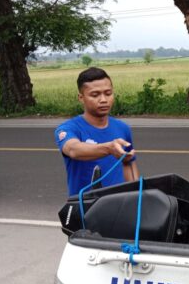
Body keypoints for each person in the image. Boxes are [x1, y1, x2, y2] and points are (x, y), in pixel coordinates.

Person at [55, 67, 138, 195]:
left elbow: (128, 163)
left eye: (108, 93)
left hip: (120, 206)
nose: (103, 100)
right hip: (86, 208)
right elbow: (73, 149)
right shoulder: (69, 128)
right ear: (81, 98)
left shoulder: (122, 128)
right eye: (95, 95)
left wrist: (136, 197)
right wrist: (109, 148)